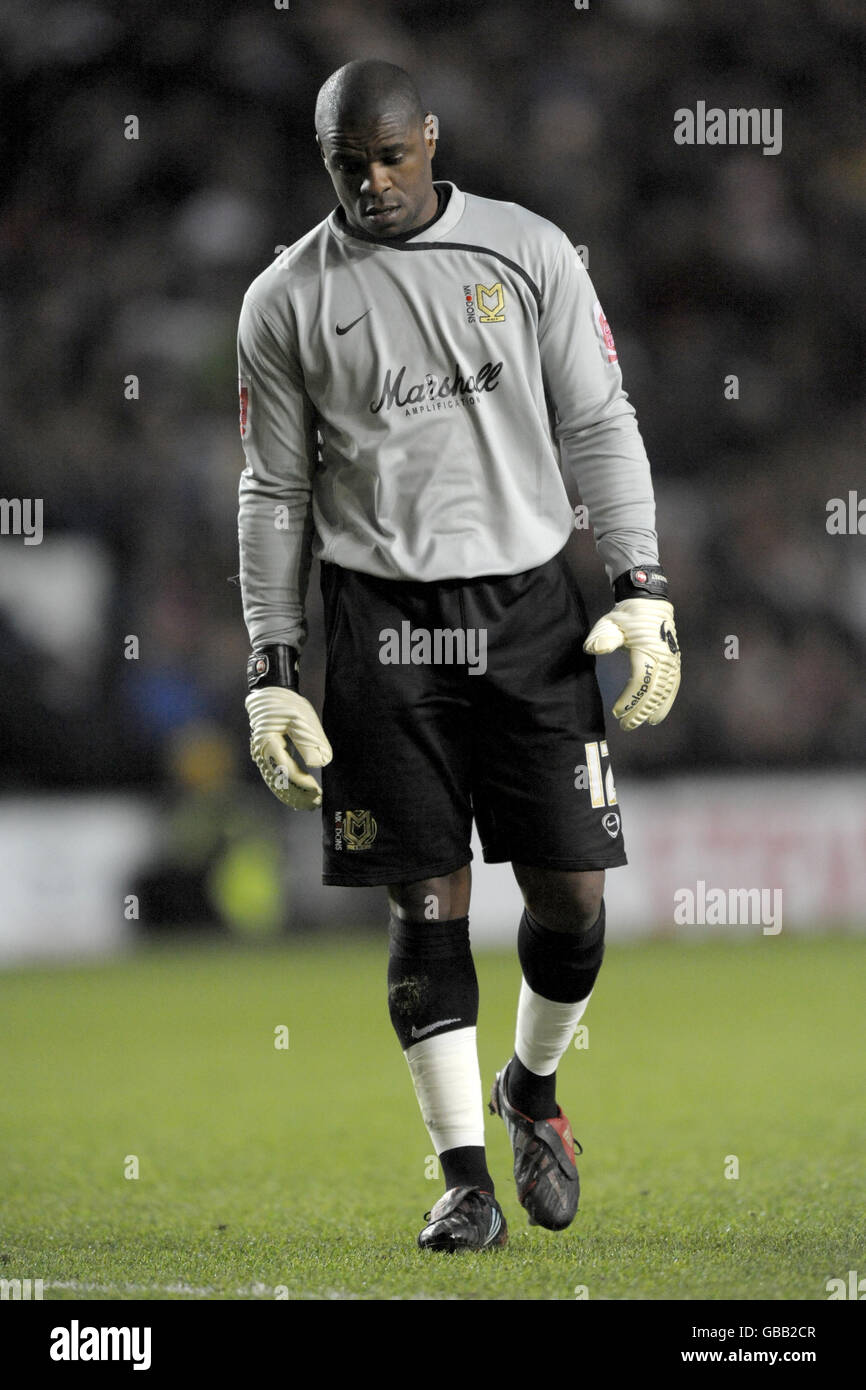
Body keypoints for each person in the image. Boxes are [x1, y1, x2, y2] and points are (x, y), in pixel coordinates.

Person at [236, 59, 681, 1252]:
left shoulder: (530, 253)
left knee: (572, 900)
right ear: (323, 158)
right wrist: (272, 665)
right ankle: (463, 1178)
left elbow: (598, 422)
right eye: (348, 163)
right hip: (378, 619)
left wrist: (639, 585)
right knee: (423, 898)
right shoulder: (283, 298)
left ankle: (529, 1089)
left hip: (529, 605)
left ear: (429, 139)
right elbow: (272, 490)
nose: (372, 182)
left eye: (390, 155)